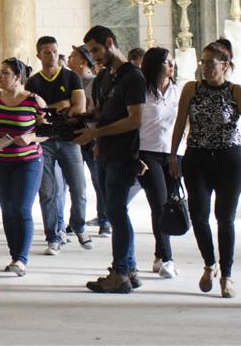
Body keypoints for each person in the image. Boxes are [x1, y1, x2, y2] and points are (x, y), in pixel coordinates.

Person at [170, 39, 241, 299]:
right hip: (196, 158)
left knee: (225, 217)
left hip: (230, 159)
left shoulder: (236, 91)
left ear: (225, 64)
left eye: (211, 62)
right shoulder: (191, 89)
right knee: (198, 215)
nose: (205, 67)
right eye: (203, 62)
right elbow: (179, 124)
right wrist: (174, 155)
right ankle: (210, 264)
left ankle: (227, 275)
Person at [75, 25, 146, 294]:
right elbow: (99, 114)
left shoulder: (133, 77)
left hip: (123, 154)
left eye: (95, 50)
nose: (93, 57)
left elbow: (134, 119)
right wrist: (75, 122)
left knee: (117, 212)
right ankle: (130, 269)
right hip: (104, 152)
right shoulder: (105, 77)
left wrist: (96, 132)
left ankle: (120, 273)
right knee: (114, 211)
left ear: (109, 42)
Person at [0, 58, 45, 276]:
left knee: (21, 208)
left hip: (28, 162)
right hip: (0, 162)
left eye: (4, 73)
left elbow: (49, 131)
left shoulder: (34, 101)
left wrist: (31, 137)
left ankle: (22, 259)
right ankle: (14, 254)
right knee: (7, 209)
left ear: (18, 77)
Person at [25, 35, 92, 255]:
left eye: (54, 51)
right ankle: (53, 235)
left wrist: (56, 109)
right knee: (48, 191)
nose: (52, 55)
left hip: (70, 139)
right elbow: (35, 115)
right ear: (39, 55)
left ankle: (79, 225)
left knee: (79, 188)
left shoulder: (71, 77)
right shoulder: (33, 82)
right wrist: (61, 105)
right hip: (44, 141)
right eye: (46, 52)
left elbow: (79, 108)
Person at [136, 47, 179, 279]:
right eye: (166, 62)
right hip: (147, 154)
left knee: (171, 205)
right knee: (159, 205)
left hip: (173, 154)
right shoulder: (141, 91)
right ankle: (168, 259)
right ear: (154, 65)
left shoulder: (178, 91)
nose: (171, 65)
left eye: (172, 62)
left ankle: (158, 254)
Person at [69, 44, 110, 236]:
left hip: (92, 137)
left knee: (98, 180)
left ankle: (105, 220)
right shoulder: (68, 81)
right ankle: (75, 221)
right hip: (74, 137)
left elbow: (97, 110)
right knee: (75, 184)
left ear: (83, 61)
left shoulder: (94, 82)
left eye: (73, 56)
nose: (69, 58)